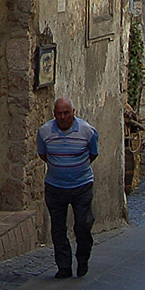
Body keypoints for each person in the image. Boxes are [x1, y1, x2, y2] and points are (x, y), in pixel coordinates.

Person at [35, 96, 99, 279]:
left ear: (73, 113)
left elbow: (93, 153)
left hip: (82, 186)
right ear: (54, 114)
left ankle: (83, 259)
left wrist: (75, 168)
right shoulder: (45, 132)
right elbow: (43, 154)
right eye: (59, 114)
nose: (63, 117)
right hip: (55, 187)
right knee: (58, 228)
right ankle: (63, 266)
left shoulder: (87, 131)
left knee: (83, 225)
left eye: (66, 113)